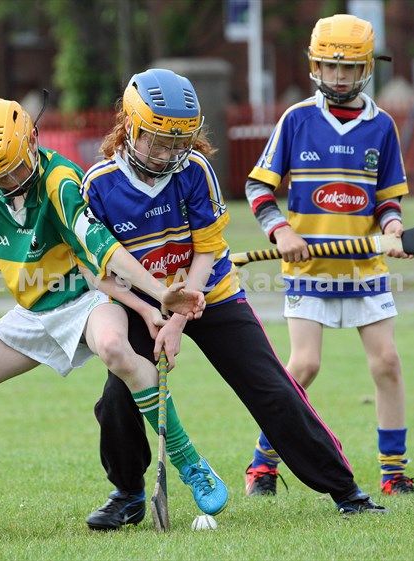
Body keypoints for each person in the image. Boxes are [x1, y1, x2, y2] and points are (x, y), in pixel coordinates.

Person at [81, 67, 386, 531]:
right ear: (129, 126)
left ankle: (346, 491)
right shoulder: (99, 183)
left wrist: (180, 317)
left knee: (271, 388)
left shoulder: (194, 170)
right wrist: (153, 310)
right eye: (158, 142)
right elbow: (100, 268)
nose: (168, 154)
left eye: (178, 143)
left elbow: (207, 249)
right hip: (142, 302)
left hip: (211, 290)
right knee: (119, 396)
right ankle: (127, 494)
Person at [0, 97, 228, 538]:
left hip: (88, 298)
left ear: (31, 142)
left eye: (11, 171)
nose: (4, 183)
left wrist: (159, 295)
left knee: (116, 349)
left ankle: (189, 462)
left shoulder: (60, 181)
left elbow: (104, 250)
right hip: (34, 311)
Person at [243, 14, 414, 497]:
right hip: (309, 269)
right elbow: (258, 187)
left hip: (365, 269)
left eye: (349, 68)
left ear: (367, 69)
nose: (339, 77)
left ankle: (393, 473)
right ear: (315, 66)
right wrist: (280, 230)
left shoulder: (381, 126)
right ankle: (263, 465)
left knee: (387, 362)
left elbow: (387, 200)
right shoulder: (296, 120)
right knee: (303, 366)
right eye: (329, 66)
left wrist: (393, 228)